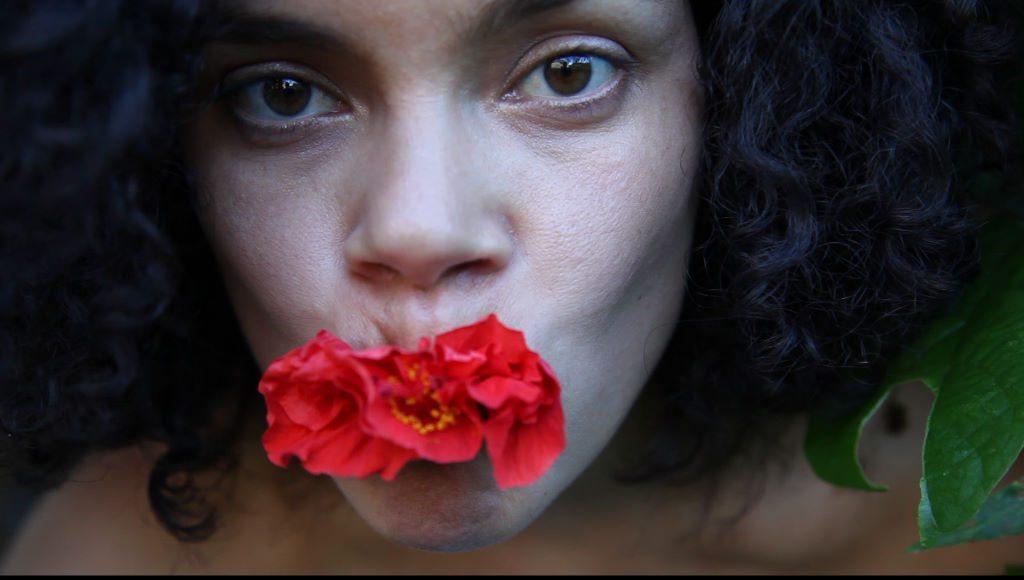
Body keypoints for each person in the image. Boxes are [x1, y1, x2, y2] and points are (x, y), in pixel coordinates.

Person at [2, 0, 1022, 573]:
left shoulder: (971, 530)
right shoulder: (112, 558)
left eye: (569, 74)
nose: (418, 228)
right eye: (282, 94)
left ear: (749, 103)